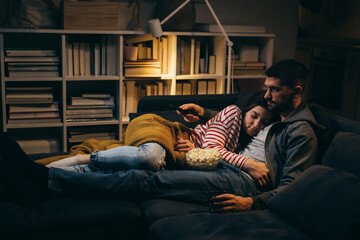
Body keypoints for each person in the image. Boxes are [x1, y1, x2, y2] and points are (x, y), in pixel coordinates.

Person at [0, 59, 320, 212]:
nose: (266, 95)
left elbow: (293, 185)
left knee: (148, 181)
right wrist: (207, 115)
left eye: (274, 90)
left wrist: (252, 202)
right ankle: (42, 178)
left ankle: (44, 180)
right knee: (140, 166)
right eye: (266, 88)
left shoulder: (301, 131)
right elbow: (238, 114)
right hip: (218, 164)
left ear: (296, 92)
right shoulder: (274, 114)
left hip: (243, 181)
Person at [46, 90, 276, 175]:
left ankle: (67, 171)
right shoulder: (234, 113)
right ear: (246, 111)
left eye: (263, 123)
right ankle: (80, 159)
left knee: (138, 168)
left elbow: (209, 149)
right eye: (254, 116)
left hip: (178, 151)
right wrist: (247, 164)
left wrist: (197, 150)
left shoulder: (249, 139)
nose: (256, 125)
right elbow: (212, 149)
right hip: (164, 129)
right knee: (150, 157)